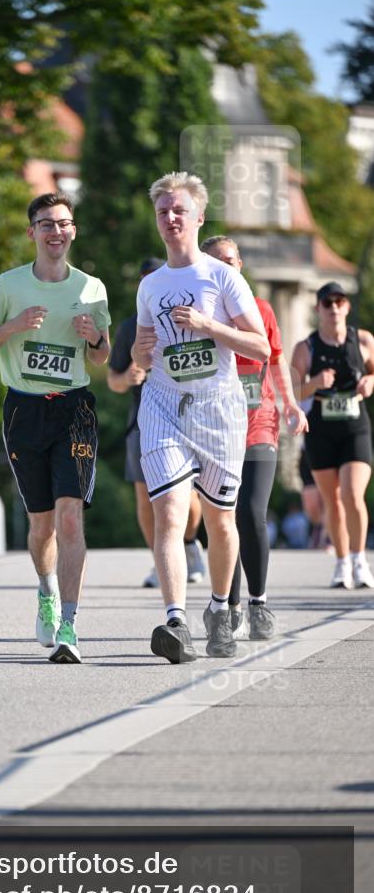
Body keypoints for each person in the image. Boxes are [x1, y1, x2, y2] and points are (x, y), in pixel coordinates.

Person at [132, 172, 271, 663]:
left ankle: (217, 609)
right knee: (169, 511)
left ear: (198, 218)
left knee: (219, 517)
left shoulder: (222, 276)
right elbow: (141, 356)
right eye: (163, 211)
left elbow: (261, 347)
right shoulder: (150, 285)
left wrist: (210, 325)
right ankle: (174, 619)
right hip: (165, 404)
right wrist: (140, 349)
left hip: (218, 407)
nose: (170, 219)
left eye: (178, 211)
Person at [0, 191, 110, 664]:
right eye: (46, 224)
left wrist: (95, 339)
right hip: (23, 411)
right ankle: (46, 589)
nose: (56, 232)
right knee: (41, 524)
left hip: (73, 409)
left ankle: (69, 623)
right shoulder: (8, 286)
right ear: (32, 233)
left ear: (74, 231)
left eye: (64, 223)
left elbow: (101, 357)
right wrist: (13, 327)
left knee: (71, 516)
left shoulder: (93, 287)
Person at [199, 235, 307, 640]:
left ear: (240, 263)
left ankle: (259, 603)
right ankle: (228, 605)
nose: (227, 267)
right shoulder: (200, 313)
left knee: (251, 512)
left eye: (231, 260)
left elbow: (276, 360)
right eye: (217, 262)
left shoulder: (260, 309)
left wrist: (291, 404)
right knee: (223, 518)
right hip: (214, 428)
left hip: (260, 422)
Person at [108, 257, 207, 587]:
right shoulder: (129, 327)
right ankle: (160, 561)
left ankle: (189, 545)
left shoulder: (186, 316)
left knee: (189, 496)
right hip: (142, 420)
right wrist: (128, 377)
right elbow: (113, 381)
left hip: (186, 415)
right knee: (144, 496)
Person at [290, 281, 374, 588]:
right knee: (332, 500)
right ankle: (341, 563)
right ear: (318, 309)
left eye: (340, 302)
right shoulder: (306, 347)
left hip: (355, 425)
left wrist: (370, 382)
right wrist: (315, 383)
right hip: (321, 428)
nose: (334, 308)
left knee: (353, 494)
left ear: (347, 307)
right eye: (328, 303)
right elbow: (291, 390)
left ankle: (359, 560)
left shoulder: (363, 340)